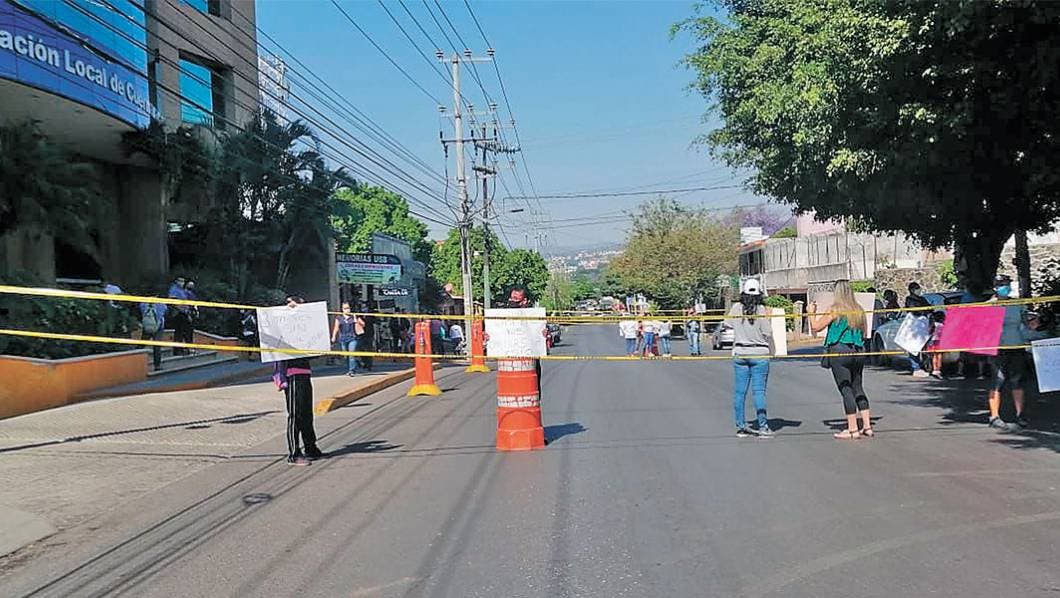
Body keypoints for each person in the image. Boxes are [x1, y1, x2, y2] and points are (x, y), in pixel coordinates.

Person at [809, 280, 873, 440]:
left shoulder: (835, 309)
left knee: (846, 389)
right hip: (858, 350)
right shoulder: (859, 310)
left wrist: (811, 312)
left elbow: (816, 327)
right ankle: (867, 426)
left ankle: (852, 429)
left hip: (840, 351)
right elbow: (865, 332)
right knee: (858, 387)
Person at [986, 275, 1050, 431]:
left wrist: (1035, 321)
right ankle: (994, 416)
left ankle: (1020, 414)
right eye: (1002, 285)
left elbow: (1028, 323)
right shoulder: (988, 306)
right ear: (995, 287)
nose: (1005, 287)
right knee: (998, 381)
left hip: (1017, 346)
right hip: (998, 349)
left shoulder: (1016, 303)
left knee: (1017, 381)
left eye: (1007, 284)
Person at [272, 295, 322, 466]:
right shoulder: (282, 327)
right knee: (295, 414)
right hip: (291, 374)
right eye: (292, 307)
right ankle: (294, 453)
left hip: (305, 372)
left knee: (307, 413)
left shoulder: (306, 328)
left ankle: (311, 447)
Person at [726, 279, 775, 438]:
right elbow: (767, 333)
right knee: (759, 391)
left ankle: (741, 426)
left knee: (740, 392)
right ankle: (763, 426)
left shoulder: (735, 308)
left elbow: (728, 324)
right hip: (759, 354)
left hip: (740, 352)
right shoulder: (761, 310)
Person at [905, 282, 932, 377]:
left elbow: (929, 308)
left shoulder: (922, 299)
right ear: (912, 290)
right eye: (917, 288)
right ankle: (916, 367)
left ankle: (925, 366)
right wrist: (922, 311)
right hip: (914, 326)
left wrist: (928, 310)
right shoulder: (909, 299)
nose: (919, 290)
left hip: (923, 325)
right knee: (913, 346)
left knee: (924, 346)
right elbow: (912, 310)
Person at [331, 302, 364, 376]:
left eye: (348, 308)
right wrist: (333, 337)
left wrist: (356, 320)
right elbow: (336, 328)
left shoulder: (353, 316)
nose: (347, 310)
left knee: (351, 354)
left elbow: (363, 324)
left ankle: (352, 370)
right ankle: (355, 363)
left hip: (352, 338)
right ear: (342, 309)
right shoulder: (339, 318)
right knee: (346, 356)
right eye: (345, 308)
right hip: (343, 338)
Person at [139, 300, 166, 372]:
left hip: (147, 326)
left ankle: (135, 360)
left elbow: (141, 312)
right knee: (157, 347)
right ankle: (157, 365)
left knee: (142, 344)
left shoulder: (143, 303)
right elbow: (164, 313)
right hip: (158, 327)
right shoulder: (161, 304)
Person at [167, 277, 191, 355]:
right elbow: (173, 301)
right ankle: (177, 350)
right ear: (176, 281)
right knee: (179, 332)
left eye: (183, 281)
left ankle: (182, 348)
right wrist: (182, 309)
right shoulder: (174, 289)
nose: (182, 283)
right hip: (178, 313)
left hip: (184, 313)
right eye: (180, 281)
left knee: (183, 331)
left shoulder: (182, 290)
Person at [928, 311, 946, 378]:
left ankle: (934, 369)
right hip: (940, 342)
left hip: (933, 341)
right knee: (939, 356)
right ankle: (938, 369)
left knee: (934, 356)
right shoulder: (942, 325)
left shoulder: (933, 325)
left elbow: (930, 333)